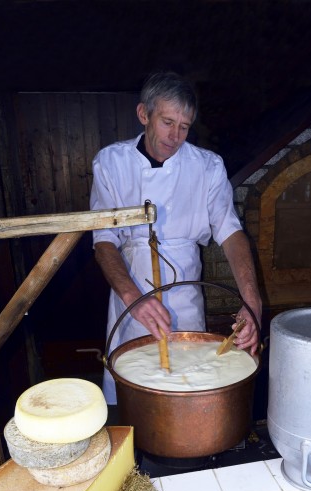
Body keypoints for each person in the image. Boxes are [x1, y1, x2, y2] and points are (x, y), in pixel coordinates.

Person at [91, 70, 262, 405]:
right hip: (131, 294)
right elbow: (104, 241)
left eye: (184, 126)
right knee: (134, 388)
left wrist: (251, 299)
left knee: (189, 387)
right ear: (144, 115)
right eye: (167, 122)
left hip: (186, 291)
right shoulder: (111, 162)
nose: (175, 136)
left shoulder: (207, 166)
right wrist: (132, 297)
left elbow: (230, 233)